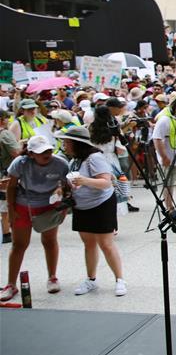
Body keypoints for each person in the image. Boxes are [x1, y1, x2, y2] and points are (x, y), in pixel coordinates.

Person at [55, 126, 127, 297]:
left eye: (67, 142)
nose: (64, 145)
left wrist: (84, 181)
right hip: (82, 206)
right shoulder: (75, 160)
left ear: (76, 143)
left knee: (106, 244)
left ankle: (120, 279)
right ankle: (91, 279)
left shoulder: (95, 158)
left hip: (101, 204)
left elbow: (106, 182)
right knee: (88, 244)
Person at [1, 136, 69, 302]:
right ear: (31, 154)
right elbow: (11, 186)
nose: (47, 154)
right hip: (23, 205)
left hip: (49, 207)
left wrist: (64, 205)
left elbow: (67, 185)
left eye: (49, 150)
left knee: (49, 241)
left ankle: (52, 277)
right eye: (41, 152)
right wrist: (11, 209)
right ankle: (11, 284)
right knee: (19, 245)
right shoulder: (20, 163)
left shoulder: (61, 163)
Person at [152, 95, 176, 210]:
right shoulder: (165, 119)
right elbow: (157, 138)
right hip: (169, 159)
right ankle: (169, 207)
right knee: (169, 184)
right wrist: (164, 157)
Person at [0, 111, 21, 244]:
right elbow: (16, 152)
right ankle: (8, 231)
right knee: (8, 201)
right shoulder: (5, 134)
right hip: (7, 173)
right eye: (7, 119)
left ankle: (6, 231)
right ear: (2, 120)